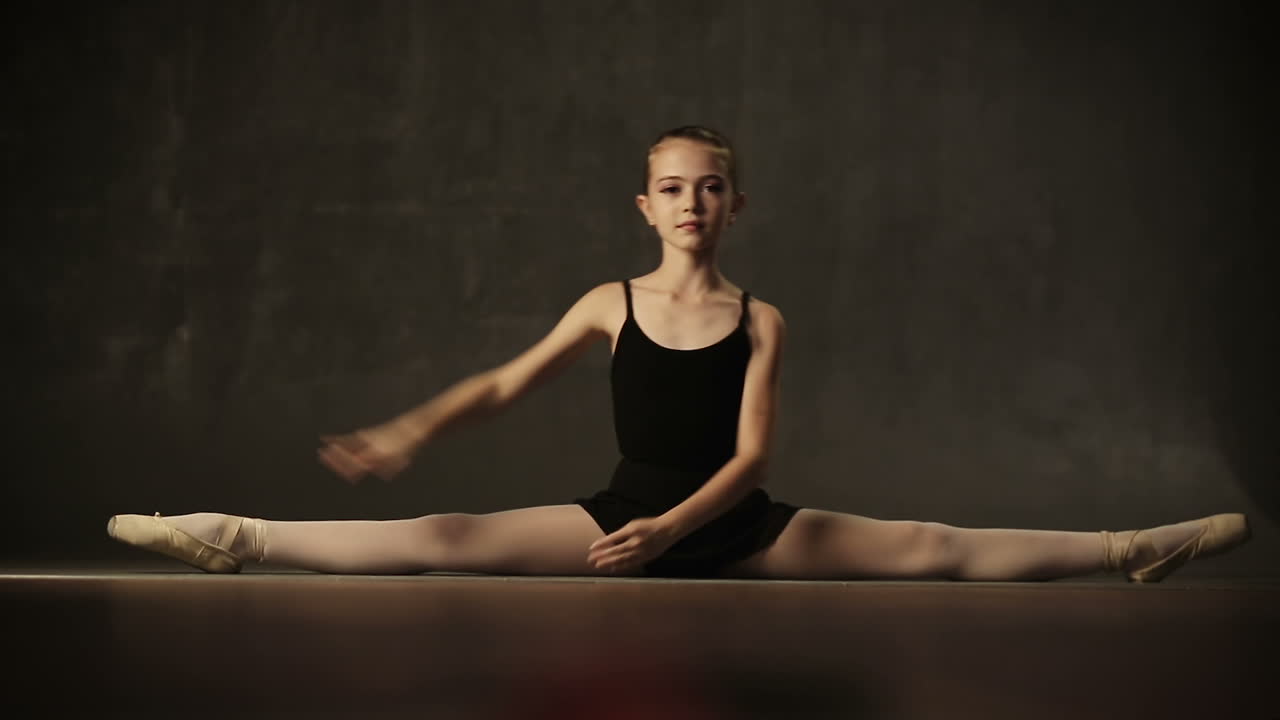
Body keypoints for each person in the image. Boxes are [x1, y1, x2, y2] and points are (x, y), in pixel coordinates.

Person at [107, 126, 1251, 581]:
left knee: (933, 546)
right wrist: (410, 427)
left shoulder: (762, 318)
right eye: (670, 187)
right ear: (643, 205)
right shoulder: (606, 301)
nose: (689, 202)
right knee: (440, 539)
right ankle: (227, 532)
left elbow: (751, 457)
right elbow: (503, 384)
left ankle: (1128, 548)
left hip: (725, 523)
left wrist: (676, 529)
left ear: (732, 206)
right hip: (622, 515)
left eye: (709, 187)